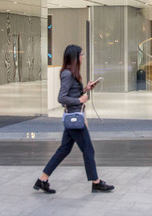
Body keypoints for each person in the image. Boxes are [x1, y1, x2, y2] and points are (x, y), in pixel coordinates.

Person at [34, 44, 114, 194]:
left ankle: (42, 179)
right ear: (74, 57)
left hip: (74, 118)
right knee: (88, 150)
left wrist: (85, 89)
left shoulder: (71, 73)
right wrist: (80, 101)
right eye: (81, 55)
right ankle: (96, 182)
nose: (83, 57)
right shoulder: (67, 74)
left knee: (64, 149)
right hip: (74, 119)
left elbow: (72, 92)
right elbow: (61, 98)